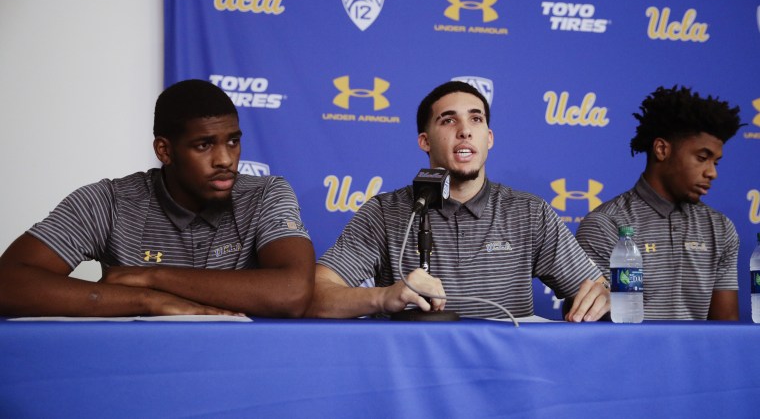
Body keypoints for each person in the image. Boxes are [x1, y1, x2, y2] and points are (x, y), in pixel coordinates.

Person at [0, 79, 314, 317]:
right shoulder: (110, 201)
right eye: (204, 145)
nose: (225, 159)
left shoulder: (265, 194)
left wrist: (150, 276)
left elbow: (292, 293)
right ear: (164, 150)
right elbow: (8, 282)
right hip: (137, 373)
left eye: (232, 142)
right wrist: (146, 300)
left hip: (241, 371)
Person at [307, 81, 609, 322]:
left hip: (506, 379)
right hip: (413, 383)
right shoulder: (385, 212)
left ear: (488, 138)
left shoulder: (530, 212)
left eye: (475, 119)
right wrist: (384, 298)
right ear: (425, 141)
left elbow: (595, 289)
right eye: (448, 120)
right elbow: (316, 294)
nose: (464, 130)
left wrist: (602, 297)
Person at [576, 85, 743, 320]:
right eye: (702, 158)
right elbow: (591, 322)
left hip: (701, 357)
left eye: (716, 162)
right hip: (630, 356)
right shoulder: (606, 224)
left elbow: (726, 331)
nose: (712, 172)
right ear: (662, 149)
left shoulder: (720, 228)